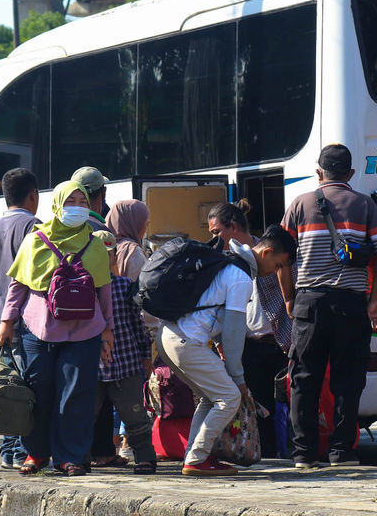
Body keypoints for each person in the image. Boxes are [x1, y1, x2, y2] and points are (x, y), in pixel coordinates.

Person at [279, 144, 377, 468]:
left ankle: (303, 453)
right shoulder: (365, 205)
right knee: (348, 378)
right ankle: (342, 452)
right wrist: (375, 300)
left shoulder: (299, 204)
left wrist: (289, 297)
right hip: (351, 305)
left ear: (319, 173)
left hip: (309, 304)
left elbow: (281, 257)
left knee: (304, 379)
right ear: (351, 174)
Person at [156, 225, 297, 476]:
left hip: (168, 336)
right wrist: (239, 380)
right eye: (278, 265)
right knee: (229, 397)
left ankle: (196, 454)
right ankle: (197, 458)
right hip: (187, 342)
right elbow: (233, 335)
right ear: (265, 253)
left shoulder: (228, 264)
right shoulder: (240, 278)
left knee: (211, 398)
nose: (277, 272)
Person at [0, 180, 116, 477]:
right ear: (57, 204)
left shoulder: (97, 244)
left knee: (76, 396)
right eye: (70, 201)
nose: (77, 207)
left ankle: (70, 457)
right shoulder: (35, 240)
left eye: (83, 202)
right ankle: (35, 453)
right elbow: (18, 285)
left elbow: (104, 291)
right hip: (38, 331)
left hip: (85, 332)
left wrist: (107, 331)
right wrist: (6, 321)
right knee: (37, 395)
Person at [208, 201, 292, 457]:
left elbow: (289, 295)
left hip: (279, 343)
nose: (212, 239)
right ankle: (263, 455)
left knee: (285, 409)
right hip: (248, 347)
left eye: (215, 233)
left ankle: (287, 455)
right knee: (258, 408)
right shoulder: (228, 262)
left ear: (233, 227)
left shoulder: (271, 250)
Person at [0, 167, 40, 469]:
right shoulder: (35, 228)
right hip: (27, 324)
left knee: (6, 389)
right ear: (33, 195)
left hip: (0, 324)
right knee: (26, 388)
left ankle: (8, 450)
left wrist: (4, 313)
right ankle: (20, 451)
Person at [89, 229, 158, 474]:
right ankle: (78, 457)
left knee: (134, 414)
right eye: (96, 255)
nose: (103, 260)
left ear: (114, 259)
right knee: (87, 414)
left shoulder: (124, 285)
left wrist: (145, 356)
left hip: (126, 363)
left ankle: (145, 458)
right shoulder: (83, 289)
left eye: (107, 255)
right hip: (93, 367)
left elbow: (137, 324)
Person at [105, 199, 150, 281]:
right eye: (146, 223)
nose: (146, 229)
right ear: (134, 224)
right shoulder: (133, 252)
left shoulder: (101, 244)